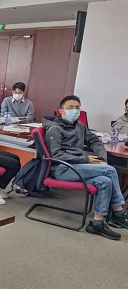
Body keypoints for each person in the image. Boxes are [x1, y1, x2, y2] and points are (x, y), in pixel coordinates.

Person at [43, 95, 128, 240]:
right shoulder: (54, 129)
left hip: (78, 166)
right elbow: (56, 155)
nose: (74, 110)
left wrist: (102, 158)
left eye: (77, 108)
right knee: (110, 170)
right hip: (62, 168)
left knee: (105, 181)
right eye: (70, 108)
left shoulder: (79, 126)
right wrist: (86, 159)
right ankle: (119, 212)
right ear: (61, 111)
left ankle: (97, 223)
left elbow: (94, 141)